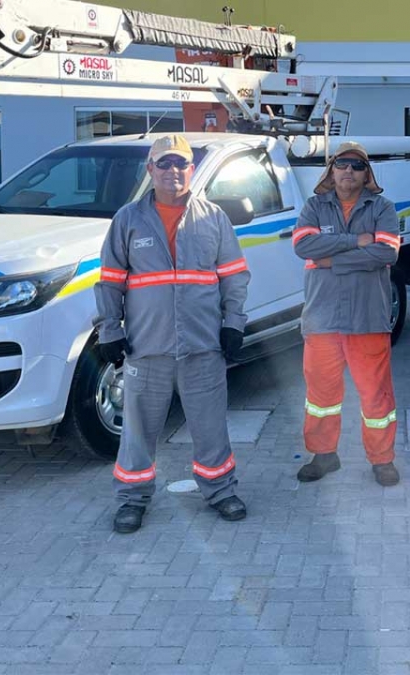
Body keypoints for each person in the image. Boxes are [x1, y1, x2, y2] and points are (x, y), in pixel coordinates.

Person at [94, 134, 251, 534]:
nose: (172, 171)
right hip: (147, 346)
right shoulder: (128, 220)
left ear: (191, 170)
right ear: (151, 169)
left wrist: (233, 323)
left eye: (180, 163)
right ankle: (131, 499)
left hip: (203, 345)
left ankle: (220, 490)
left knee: (211, 426)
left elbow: (234, 276)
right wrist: (110, 329)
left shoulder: (213, 217)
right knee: (137, 431)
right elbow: (110, 280)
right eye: (163, 163)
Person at [292, 141, 401, 486]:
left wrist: (331, 260)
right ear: (331, 170)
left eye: (357, 165)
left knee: (376, 394)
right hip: (322, 318)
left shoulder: (382, 208)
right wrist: (355, 241)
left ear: (367, 174)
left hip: (367, 318)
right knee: (321, 395)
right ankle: (324, 455)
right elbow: (303, 245)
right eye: (342, 164)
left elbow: (387, 253)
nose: (349, 171)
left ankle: (382, 460)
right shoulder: (314, 206)